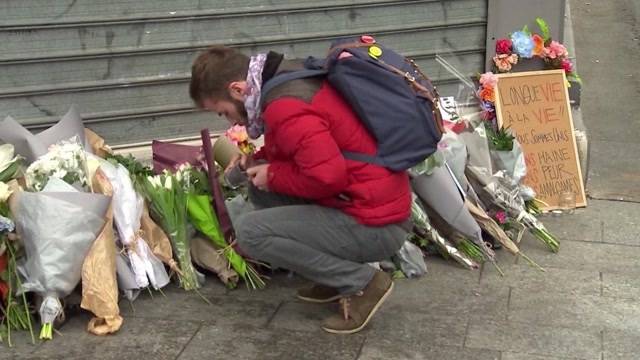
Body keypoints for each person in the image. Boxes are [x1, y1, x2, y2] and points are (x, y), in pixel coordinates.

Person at [189, 46, 411, 334]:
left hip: (377, 224)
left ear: (237, 90)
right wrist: (259, 160)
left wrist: (274, 174)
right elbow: (302, 146)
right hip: (371, 205)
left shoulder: (284, 106)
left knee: (251, 232)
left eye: (224, 112)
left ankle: (363, 282)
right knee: (260, 191)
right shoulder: (284, 80)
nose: (230, 121)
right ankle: (333, 277)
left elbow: (328, 177)